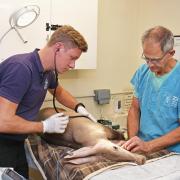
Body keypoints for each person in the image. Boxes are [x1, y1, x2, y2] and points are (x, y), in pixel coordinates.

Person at [0, 25, 96, 178]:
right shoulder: (21, 69)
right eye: (72, 58)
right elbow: (3, 122)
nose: (73, 65)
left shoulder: (47, 71)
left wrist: (79, 108)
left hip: (16, 142)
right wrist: (44, 126)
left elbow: (59, 92)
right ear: (58, 48)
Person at [121, 26, 180, 155]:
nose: (149, 64)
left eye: (155, 60)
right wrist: (132, 141)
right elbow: (134, 109)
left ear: (171, 53)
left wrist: (149, 146)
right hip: (143, 147)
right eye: (146, 58)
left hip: (172, 153)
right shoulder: (143, 72)